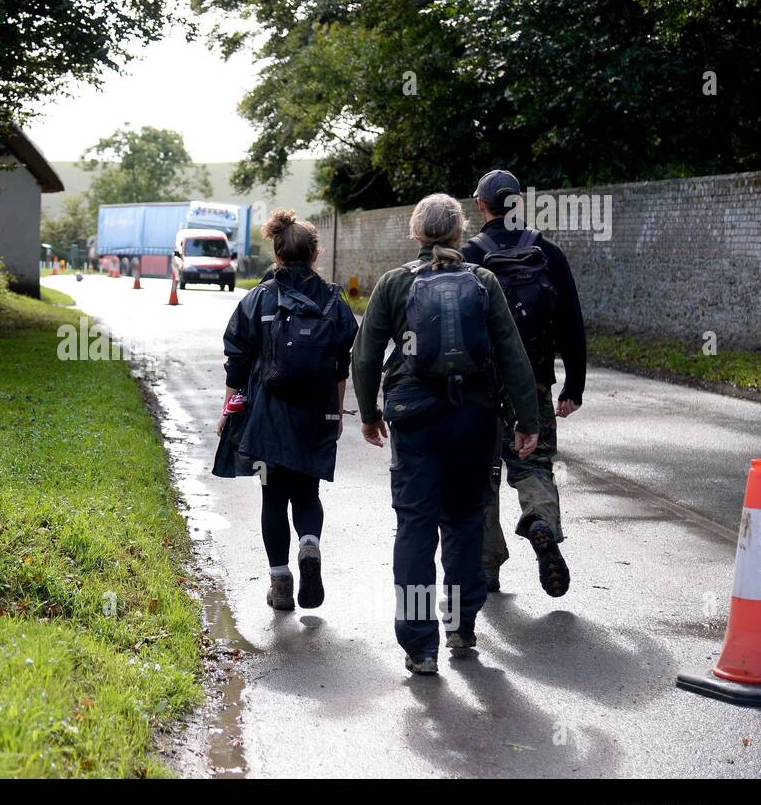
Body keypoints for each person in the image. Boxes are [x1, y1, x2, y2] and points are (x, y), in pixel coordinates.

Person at [352, 193, 539, 674]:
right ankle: (460, 626)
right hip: (474, 418)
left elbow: (366, 355)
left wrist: (370, 413)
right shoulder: (482, 281)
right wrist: (527, 420)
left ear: (416, 233)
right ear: (459, 233)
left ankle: (420, 646)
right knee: (464, 520)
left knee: (415, 526)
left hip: (414, 418)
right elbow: (513, 354)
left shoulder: (395, 284)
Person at [218, 210, 358, 611]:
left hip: (268, 416)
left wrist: (228, 411)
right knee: (308, 490)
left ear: (276, 253)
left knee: (272, 497)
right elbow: (340, 365)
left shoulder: (257, 299)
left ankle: (280, 582)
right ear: (316, 254)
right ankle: (309, 546)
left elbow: (237, 362)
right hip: (316, 412)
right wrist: (335, 414)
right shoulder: (334, 301)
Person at [462, 169, 587, 597]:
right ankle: (540, 522)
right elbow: (571, 322)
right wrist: (574, 386)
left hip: (480, 385)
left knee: (482, 472)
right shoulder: (547, 252)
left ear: (481, 205)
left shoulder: (469, 257)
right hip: (533, 383)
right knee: (534, 463)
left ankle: (486, 567)